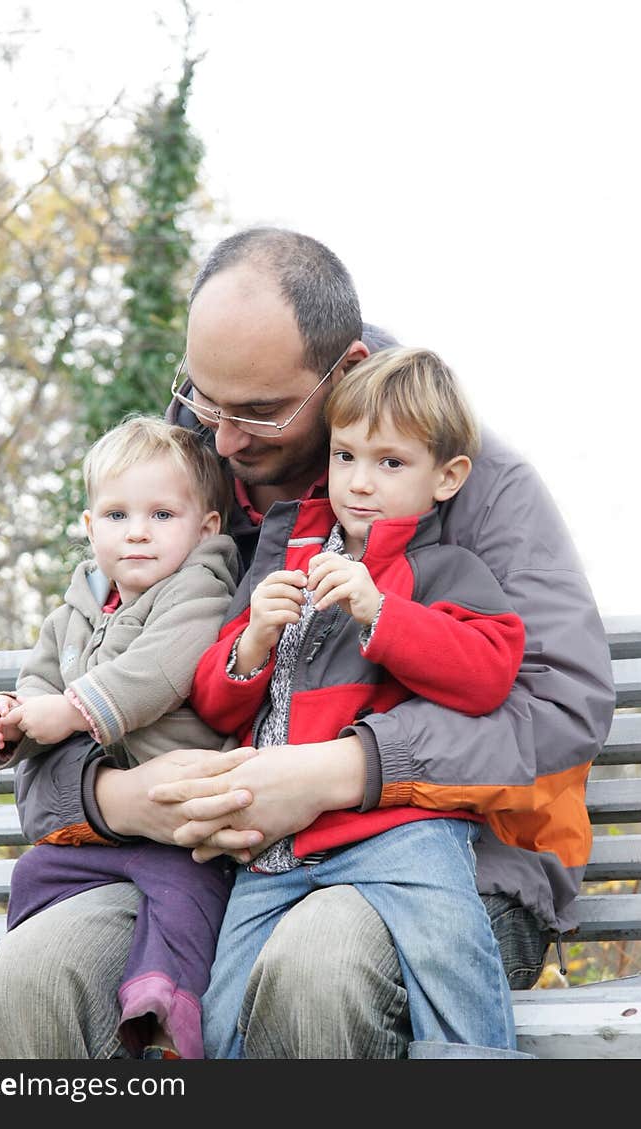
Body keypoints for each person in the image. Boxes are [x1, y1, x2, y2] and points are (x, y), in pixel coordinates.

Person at [0, 227, 616, 1060]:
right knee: (39, 975)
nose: (227, 441)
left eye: (261, 412)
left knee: (315, 967)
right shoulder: (173, 481)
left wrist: (340, 771)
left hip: (452, 859)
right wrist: (122, 799)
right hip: (208, 863)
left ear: (345, 367)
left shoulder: (473, 485)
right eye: (205, 399)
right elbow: (80, 684)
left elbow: (562, 709)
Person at [189, 346, 528, 1057]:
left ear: (447, 477)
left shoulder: (445, 568)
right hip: (275, 848)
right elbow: (216, 702)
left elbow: (489, 671)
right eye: (345, 456)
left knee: (450, 962)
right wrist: (251, 642)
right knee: (223, 1011)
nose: (361, 482)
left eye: (390, 462)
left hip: (401, 832)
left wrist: (383, 615)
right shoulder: (286, 556)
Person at [0, 415, 241, 1060]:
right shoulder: (73, 612)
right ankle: (5, 1007)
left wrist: (71, 710)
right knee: (36, 871)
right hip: (105, 828)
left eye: (162, 515)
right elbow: (37, 682)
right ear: (90, 528)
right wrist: (14, 718)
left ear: (206, 528)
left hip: (181, 820)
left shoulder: (198, 589)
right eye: (116, 515)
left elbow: (159, 671)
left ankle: (165, 999)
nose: (138, 531)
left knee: (183, 892)